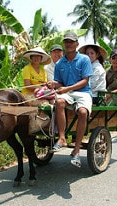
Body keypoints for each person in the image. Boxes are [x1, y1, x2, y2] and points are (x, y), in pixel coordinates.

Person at [46, 31, 93, 168]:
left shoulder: (84, 59)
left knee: (83, 112)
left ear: (77, 44)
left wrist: (66, 89)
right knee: (59, 102)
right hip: (68, 93)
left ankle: (77, 149)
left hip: (83, 92)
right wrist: (54, 84)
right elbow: (59, 83)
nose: (69, 44)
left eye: (71, 42)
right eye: (67, 42)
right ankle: (62, 138)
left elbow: (85, 81)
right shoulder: (60, 63)